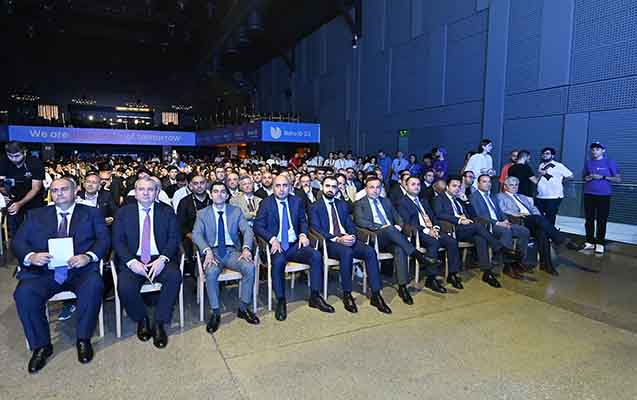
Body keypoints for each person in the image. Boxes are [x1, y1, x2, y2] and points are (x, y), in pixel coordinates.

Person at [12, 177, 110, 373]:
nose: (59, 194)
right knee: (24, 294)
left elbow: (104, 240)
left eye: (64, 189)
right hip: (44, 272)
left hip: (80, 270)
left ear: (75, 191)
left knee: (94, 286)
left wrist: (88, 256)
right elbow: (18, 242)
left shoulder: (91, 213)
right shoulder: (36, 215)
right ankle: (41, 346)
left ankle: (83, 339)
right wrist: (31, 256)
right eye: (55, 190)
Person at [112, 177, 182, 349]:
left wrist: (163, 259)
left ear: (156, 192)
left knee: (174, 276)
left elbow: (174, 238)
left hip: (159, 257)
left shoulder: (166, 211)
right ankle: (141, 319)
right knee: (125, 286)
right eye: (141, 189)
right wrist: (131, 262)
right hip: (134, 259)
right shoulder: (123, 213)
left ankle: (159, 322)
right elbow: (118, 241)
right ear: (135, 193)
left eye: (150, 189)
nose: (145, 193)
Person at [253, 174, 334, 321]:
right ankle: (281, 300)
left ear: (290, 187)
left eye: (285, 186)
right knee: (278, 262)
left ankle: (315, 296)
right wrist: (272, 239)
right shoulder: (266, 203)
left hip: (295, 244)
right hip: (277, 245)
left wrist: (303, 234)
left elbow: (303, 221)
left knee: (316, 256)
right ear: (273, 187)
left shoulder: (296, 201)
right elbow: (258, 226)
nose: (281, 189)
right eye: (278, 186)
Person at [309, 176, 392, 314]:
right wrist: (337, 239)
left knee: (370, 251)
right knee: (346, 252)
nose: (330, 189)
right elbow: (316, 228)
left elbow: (350, 224)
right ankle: (347, 294)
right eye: (327, 186)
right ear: (322, 187)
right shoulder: (314, 207)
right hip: (330, 242)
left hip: (347, 239)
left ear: (338, 189)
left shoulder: (342, 204)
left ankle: (376, 295)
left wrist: (352, 236)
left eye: (334, 186)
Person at [353, 176, 440, 305]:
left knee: (400, 249)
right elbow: (360, 221)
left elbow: (398, 218)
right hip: (375, 237)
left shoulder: (386, 201)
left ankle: (402, 287)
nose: (375, 190)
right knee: (389, 229)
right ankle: (418, 255)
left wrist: (399, 225)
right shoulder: (360, 203)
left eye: (378, 187)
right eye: (372, 187)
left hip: (392, 237)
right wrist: (382, 227)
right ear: (366, 189)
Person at [192, 181, 259, 334]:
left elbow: (247, 231)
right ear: (210, 195)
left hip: (231, 252)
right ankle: (215, 312)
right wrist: (207, 250)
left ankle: (243, 308)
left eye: (223, 192)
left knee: (250, 267)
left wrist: (246, 248)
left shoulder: (235, 211)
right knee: (211, 272)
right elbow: (196, 234)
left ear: (227, 195)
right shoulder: (202, 214)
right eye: (215, 191)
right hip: (212, 252)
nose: (219, 194)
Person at [433, 176, 521, 288]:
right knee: (478, 227)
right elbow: (439, 214)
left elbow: (473, 215)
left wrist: (466, 201)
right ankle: (499, 248)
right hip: (453, 229)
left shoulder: (459, 200)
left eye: (459, 187)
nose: (457, 189)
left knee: (481, 238)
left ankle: (487, 272)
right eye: (454, 186)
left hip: (467, 229)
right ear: (447, 187)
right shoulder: (439, 199)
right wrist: (459, 220)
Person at [497, 176, 580, 275]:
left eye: (516, 185)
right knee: (539, 220)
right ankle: (562, 240)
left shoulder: (522, 197)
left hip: (532, 220)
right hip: (519, 220)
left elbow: (533, 208)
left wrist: (537, 216)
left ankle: (546, 265)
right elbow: (502, 210)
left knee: (542, 232)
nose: (514, 187)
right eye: (511, 185)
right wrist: (518, 214)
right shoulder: (500, 196)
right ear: (505, 186)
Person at [397, 176, 462, 292]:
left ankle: (452, 274)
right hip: (417, 233)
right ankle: (431, 279)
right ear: (406, 186)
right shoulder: (402, 203)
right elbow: (407, 223)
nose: (416, 187)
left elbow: (433, 217)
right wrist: (427, 231)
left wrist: (435, 227)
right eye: (413, 184)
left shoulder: (423, 201)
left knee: (451, 241)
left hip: (432, 230)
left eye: (418, 184)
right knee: (433, 242)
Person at [471, 174, 531, 279]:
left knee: (524, 231)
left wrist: (505, 220)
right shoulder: (474, 197)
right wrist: (497, 223)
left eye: (489, 182)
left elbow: (500, 211)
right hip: (488, 225)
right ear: (478, 183)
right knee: (505, 231)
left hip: (501, 222)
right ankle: (507, 265)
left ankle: (518, 261)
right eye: (484, 181)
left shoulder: (492, 196)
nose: (487, 184)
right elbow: (479, 215)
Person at [582, 142, 621, 254]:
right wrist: (588, 178)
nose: (594, 151)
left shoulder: (609, 162)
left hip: (603, 195)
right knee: (589, 219)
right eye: (593, 149)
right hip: (589, 194)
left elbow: (618, 179)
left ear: (603, 150)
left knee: (601, 220)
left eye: (597, 149)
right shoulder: (589, 163)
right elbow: (584, 177)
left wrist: (602, 177)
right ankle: (589, 241)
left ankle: (600, 243)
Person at [0, 141, 45, 237]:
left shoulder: (35, 163)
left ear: (24, 152)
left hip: (33, 198)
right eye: (10, 156)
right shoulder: (3, 162)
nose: (14, 159)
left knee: (36, 229)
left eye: (17, 156)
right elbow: (2, 184)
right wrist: (6, 196)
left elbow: (36, 188)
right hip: (14, 197)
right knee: (15, 230)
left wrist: (20, 203)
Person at [176, 174, 212, 276]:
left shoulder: (213, 200)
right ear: (191, 186)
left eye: (202, 183)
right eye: (196, 184)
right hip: (190, 236)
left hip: (212, 235)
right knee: (189, 248)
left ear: (207, 184)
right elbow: (180, 224)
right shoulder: (184, 202)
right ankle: (198, 275)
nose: (199, 186)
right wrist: (193, 236)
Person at [535, 147, 573, 226]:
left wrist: (560, 181)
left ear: (552, 155)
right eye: (543, 153)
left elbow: (570, 176)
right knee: (539, 217)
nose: (545, 155)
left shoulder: (558, 165)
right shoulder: (541, 165)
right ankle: (542, 233)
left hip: (553, 196)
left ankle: (550, 233)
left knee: (550, 217)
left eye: (547, 153)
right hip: (541, 195)